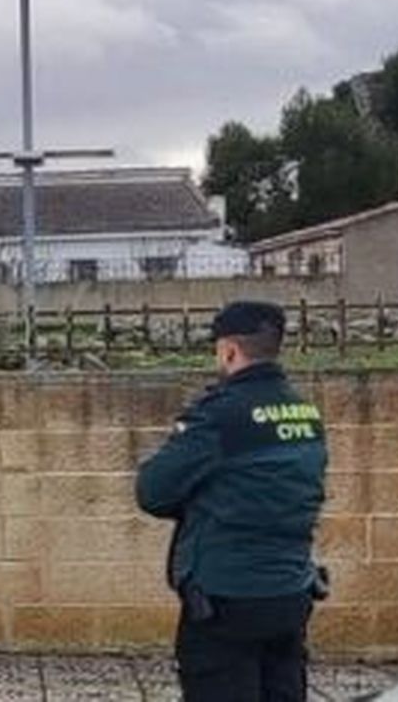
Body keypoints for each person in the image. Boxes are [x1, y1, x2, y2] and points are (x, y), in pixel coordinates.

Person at [136, 300, 328, 702]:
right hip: (290, 592)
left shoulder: (221, 415)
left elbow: (153, 491)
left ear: (229, 350)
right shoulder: (306, 414)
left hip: (226, 598)